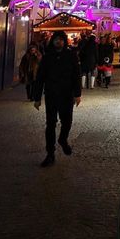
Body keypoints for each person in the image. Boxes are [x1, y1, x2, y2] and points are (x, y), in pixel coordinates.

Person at [33, 31, 81, 167]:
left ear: (64, 41)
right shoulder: (47, 58)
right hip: (52, 95)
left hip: (67, 95)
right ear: (52, 41)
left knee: (67, 121)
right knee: (50, 124)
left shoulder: (71, 56)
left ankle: (62, 139)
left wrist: (77, 94)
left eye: (60, 39)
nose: (58, 42)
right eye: (56, 39)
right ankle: (50, 153)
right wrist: (37, 98)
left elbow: (76, 75)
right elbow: (40, 78)